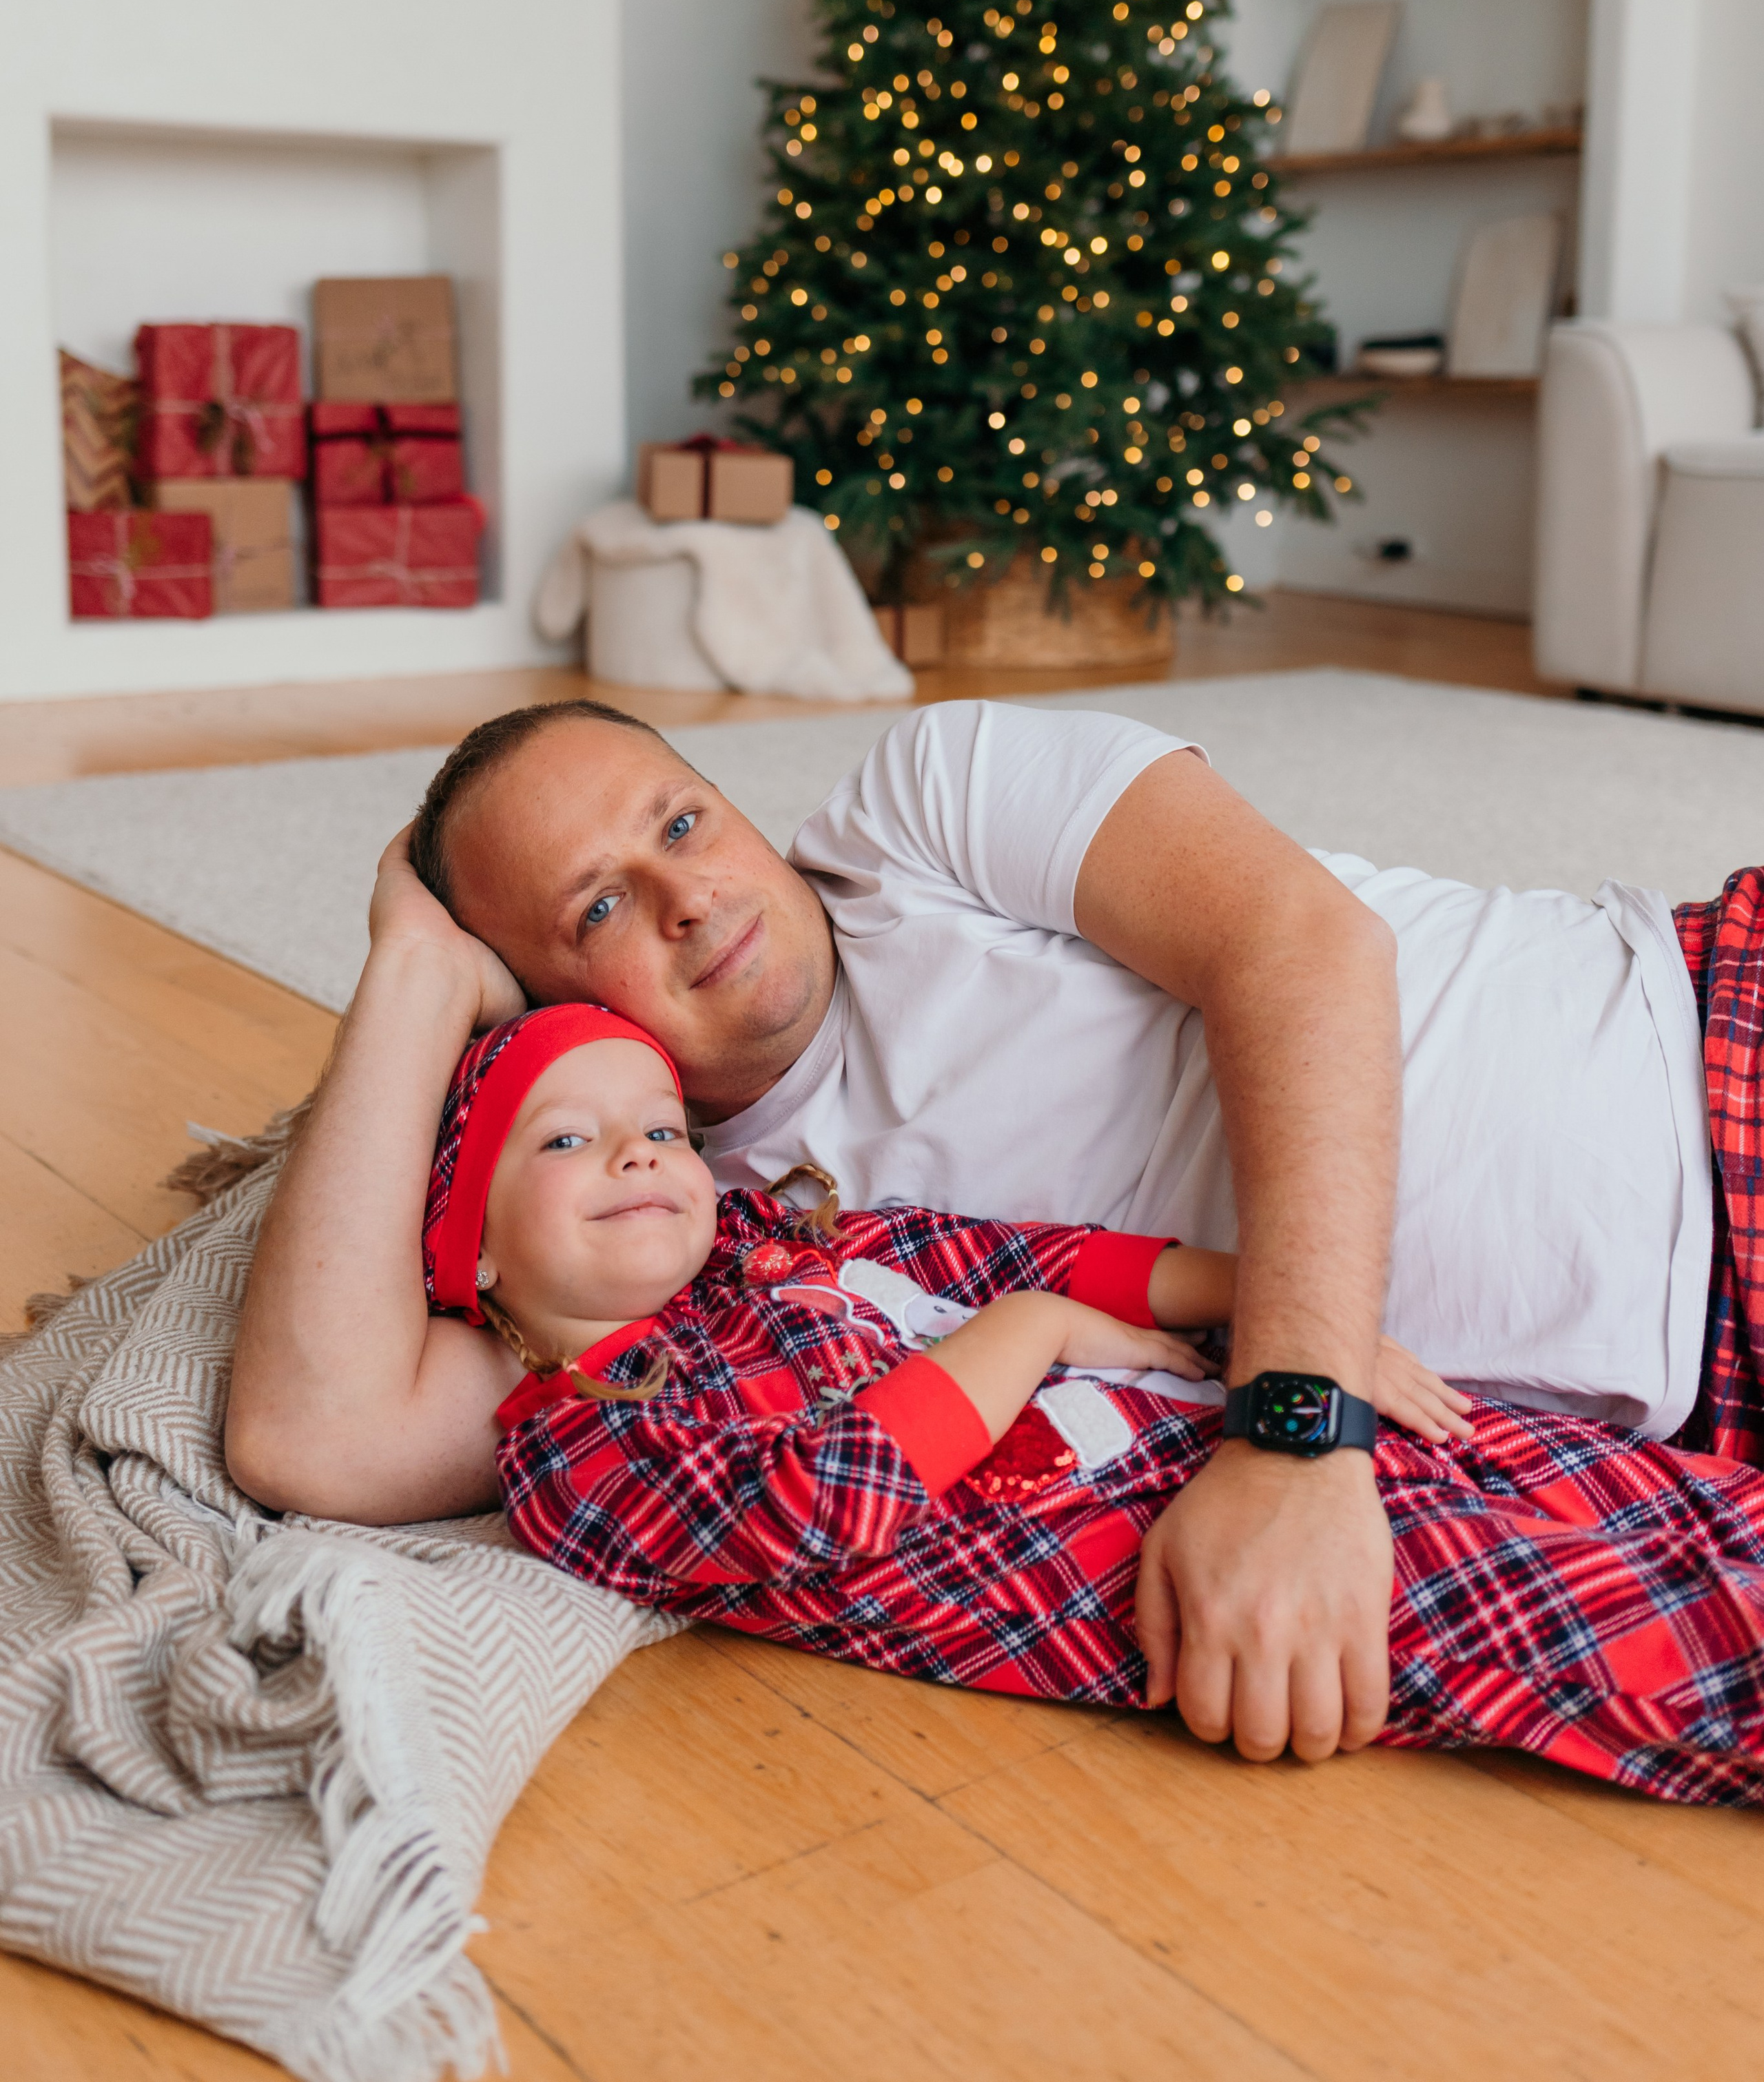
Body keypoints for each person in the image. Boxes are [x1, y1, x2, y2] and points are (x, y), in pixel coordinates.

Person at [227, 693, 1763, 1771]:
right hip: (1693, 1409)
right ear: (547, 1007)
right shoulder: (687, 1248)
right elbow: (318, 1434)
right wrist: (412, 983)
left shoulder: (928, 805)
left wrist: (1297, 1436)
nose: (688, 896)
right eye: (600, 912)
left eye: (683, 823)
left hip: (1696, 1044)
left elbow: (1298, 944)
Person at [229, 995, 1764, 1806]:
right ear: (467, 1246)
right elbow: (828, 1492)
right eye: (563, 1143)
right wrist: (1030, 1332)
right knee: (1659, 1638)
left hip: (1271, 1446)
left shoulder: (817, 1251)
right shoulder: (583, 1443)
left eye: (657, 1127)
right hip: (1207, 1581)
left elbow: (1040, 1252)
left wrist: (1294, 1327)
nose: (639, 1154)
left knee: (1647, 1491)